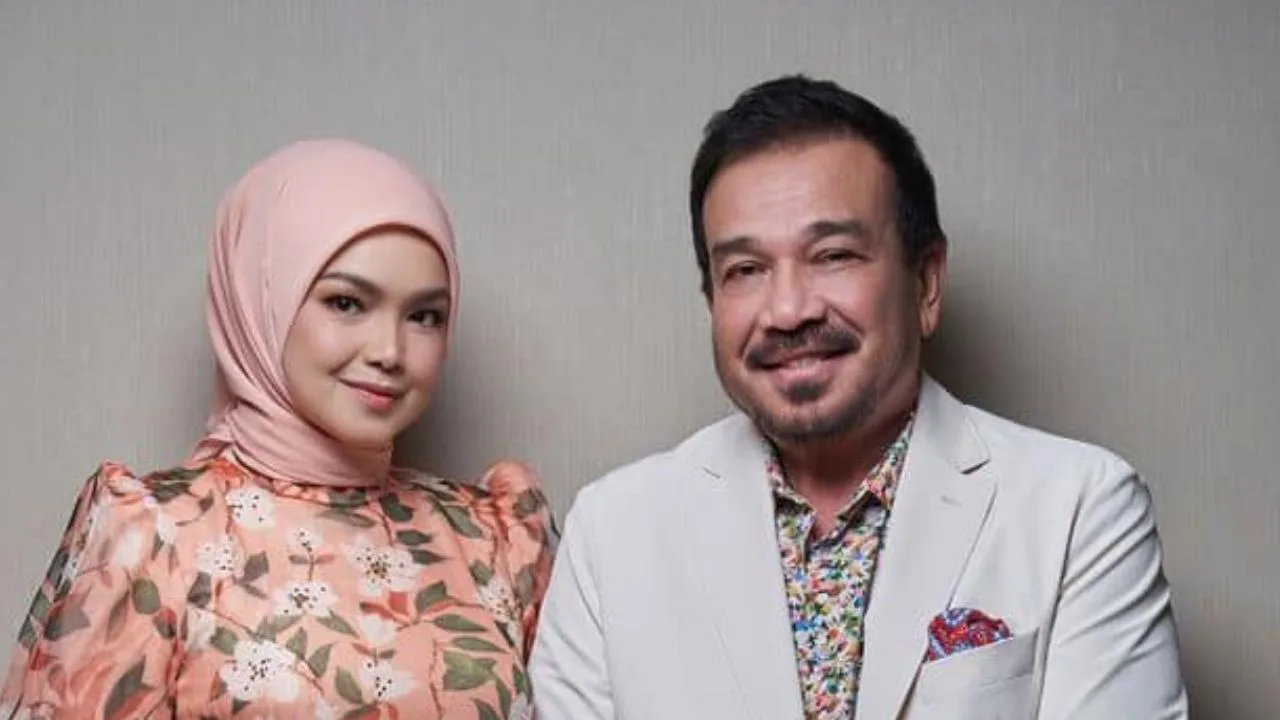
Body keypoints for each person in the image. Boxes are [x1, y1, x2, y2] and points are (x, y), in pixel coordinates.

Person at [529, 75, 1187, 719]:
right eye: (746, 270)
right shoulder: (611, 533)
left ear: (926, 284)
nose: (788, 311)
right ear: (712, 302)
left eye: (834, 255)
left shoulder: (1081, 510)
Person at [2, 139, 555, 719]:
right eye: (347, 303)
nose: (389, 351)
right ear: (260, 302)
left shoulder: (495, 537)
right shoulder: (156, 535)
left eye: (424, 316)